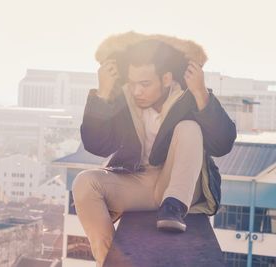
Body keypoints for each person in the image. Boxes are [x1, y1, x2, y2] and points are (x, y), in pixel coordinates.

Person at [71, 32, 237, 267]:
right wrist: (103, 93)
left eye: (145, 84)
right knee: (84, 182)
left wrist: (201, 93)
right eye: (133, 83)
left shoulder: (188, 98)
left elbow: (223, 144)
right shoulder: (126, 100)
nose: (137, 91)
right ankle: (109, 260)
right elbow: (97, 145)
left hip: (179, 185)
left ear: (166, 78)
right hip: (140, 182)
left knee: (189, 127)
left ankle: (174, 207)